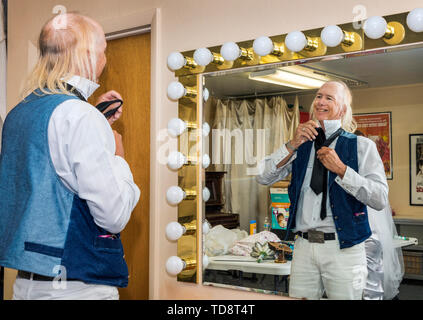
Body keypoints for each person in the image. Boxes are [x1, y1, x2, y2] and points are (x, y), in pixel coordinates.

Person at [0, 13, 140, 300]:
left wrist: (94, 117)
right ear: (88, 54)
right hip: (77, 289)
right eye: (103, 51)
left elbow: (46, 177)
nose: (104, 60)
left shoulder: (17, 114)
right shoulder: (79, 116)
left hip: (25, 286)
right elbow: (113, 217)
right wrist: (118, 158)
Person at [256, 81, 389, 300]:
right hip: (303, 248)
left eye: (329, 98)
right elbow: (263, 176)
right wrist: (291, 144)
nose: (321, 102)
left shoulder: (362, 146)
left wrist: (342, 170)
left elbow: (379, 198)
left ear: (343, 109)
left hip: (343, 248)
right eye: (318, 96)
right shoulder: (300, 145)